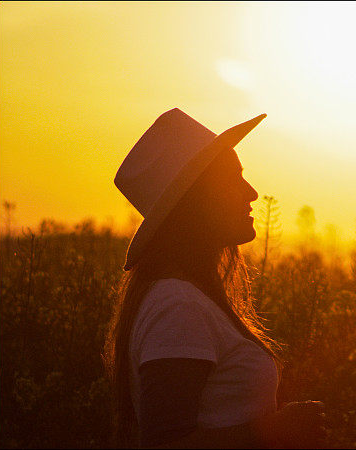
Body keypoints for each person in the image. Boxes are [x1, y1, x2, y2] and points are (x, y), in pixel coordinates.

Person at [103, 108, 326, 448]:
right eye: (232, 178)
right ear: (195, 201)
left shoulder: (183, 298)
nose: (250, 192)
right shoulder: (177, 305)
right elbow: (164, 444)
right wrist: (274, 431)